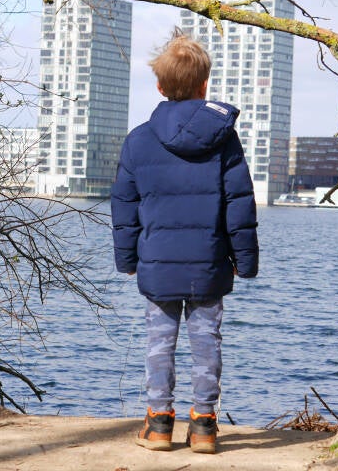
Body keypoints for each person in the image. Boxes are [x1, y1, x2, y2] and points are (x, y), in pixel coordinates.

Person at [111, 32, 259, 454]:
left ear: (160, 86)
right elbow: (239, 204)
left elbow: (124, 207)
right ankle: (204, 426)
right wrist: (244, 261)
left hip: (157, 262)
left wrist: (127, 260)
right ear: (204, 85)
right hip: (208, 263)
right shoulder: (224, 139)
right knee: (207, 342)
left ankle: (159, 424)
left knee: (159, 343)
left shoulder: (139, 139)